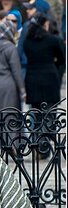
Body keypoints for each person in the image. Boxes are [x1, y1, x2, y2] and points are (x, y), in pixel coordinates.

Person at [23, 13, 66, 159]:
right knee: (50, 115)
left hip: (33, 79)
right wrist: (57, 74)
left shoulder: (27, 41)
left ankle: (40, 147)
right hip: (49, 79)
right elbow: (62, 59)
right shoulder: (54, 40)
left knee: (37, 115)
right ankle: (46, 146)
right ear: (45, 25)